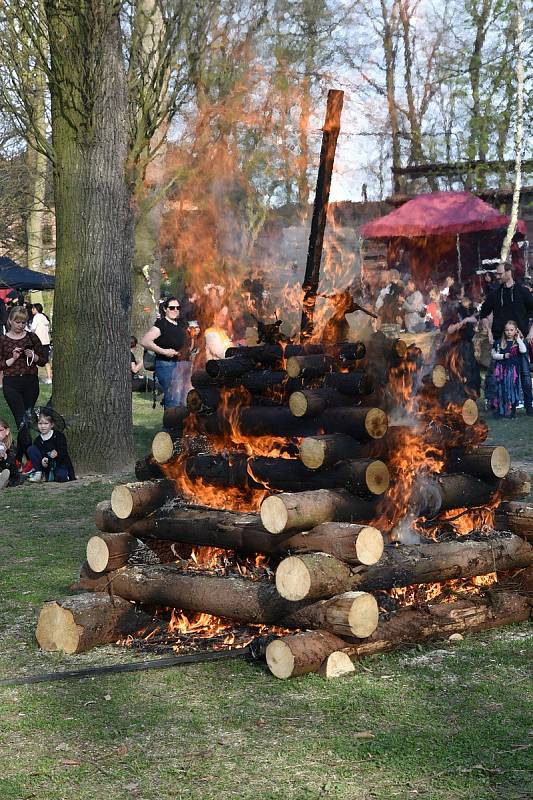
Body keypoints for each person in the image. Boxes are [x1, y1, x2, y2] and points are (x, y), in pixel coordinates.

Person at [479, 261, 533, 415]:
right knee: (495, 374)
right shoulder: (495, 294)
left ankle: (529, 407)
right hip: (499, 340)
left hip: (519, 340)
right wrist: (488, 330)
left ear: (509, 272)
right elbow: (483, 314)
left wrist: (531, 333)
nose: (497, 276)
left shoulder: (523, 292)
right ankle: (494, 404)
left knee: (524, 374)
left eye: (500, 273)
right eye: (497, 273)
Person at [0, 306, 46, 465]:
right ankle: (34, 460)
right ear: (10, 321)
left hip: (30, 382)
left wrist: (32, 355)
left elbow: (43, 360)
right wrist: (12, 358)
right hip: (11, 383)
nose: (20, 325)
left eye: (23, 322)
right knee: (21, 419)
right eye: (17, 322)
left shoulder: (32, 338)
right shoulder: (3, 340)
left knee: (26, 420)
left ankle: (18, 459)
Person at [141, 296, 191, 408]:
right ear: (165, 309)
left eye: (178, 308)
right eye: (172, 308)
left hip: (184, 364)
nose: (175, 310)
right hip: (167, 365)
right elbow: (145, 341)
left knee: (184, 398)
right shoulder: (161, 324)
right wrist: (164, 351)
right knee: (173, 398)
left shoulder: (182, 324)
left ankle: (181, 424)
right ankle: (170, 424)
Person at [490, 321, 529, 418]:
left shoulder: (518, 343)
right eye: (507, 330)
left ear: (516, 331)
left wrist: (518, 338)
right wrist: (503, 356)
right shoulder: (500, 342)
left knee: (513, 390)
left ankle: (513, 410)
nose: (509, 332)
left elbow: (523, 350)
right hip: (502, 370)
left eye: (511, 330)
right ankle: (501, 409)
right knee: (501, 389)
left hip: (513, 372)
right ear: (504, 331)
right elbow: (494, 355)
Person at [27, 407, 75, 482]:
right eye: (40, 423)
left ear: (51, 424)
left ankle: (59, 475)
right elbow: (40, 452)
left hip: (59, 463)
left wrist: (57, 453)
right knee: (31, 449)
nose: (43, 426)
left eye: (46, 423)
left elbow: (63, 449)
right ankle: (39, 473)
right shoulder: (38, 440)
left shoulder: (58, 436)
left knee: (61, 477)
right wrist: (43, 459)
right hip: (46, 465)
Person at [30, 303, 52, 384]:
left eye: (33, 308)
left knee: (34, 359)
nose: (32, 310)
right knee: (46, 360)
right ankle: (49, 378)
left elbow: (33, 328)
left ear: (36, 309)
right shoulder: (44, 317)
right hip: (46, 342)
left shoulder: (36, 317)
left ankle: (34, 378)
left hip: (38, 342)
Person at [0, 418, 18, 489]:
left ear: (7, 431)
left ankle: (3, 482)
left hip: (9, 472)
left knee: (6, 472)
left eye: (0, 430)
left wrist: (5, 458)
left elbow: (13, 468)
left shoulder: (11, 446)